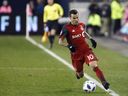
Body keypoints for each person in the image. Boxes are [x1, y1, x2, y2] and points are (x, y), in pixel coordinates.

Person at [58, 9, 110, 90]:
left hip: (86, 50)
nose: (76, 19)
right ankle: (78, 74)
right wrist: (68, 46)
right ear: (70, 18)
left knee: (94, 66)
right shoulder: (66, 28)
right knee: (80, 75)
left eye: (77, 17)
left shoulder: (82, 25)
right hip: (76, 54)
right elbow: (60, 41)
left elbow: (84, 33)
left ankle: (104, 82)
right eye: (74, 18)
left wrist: (91, 39)